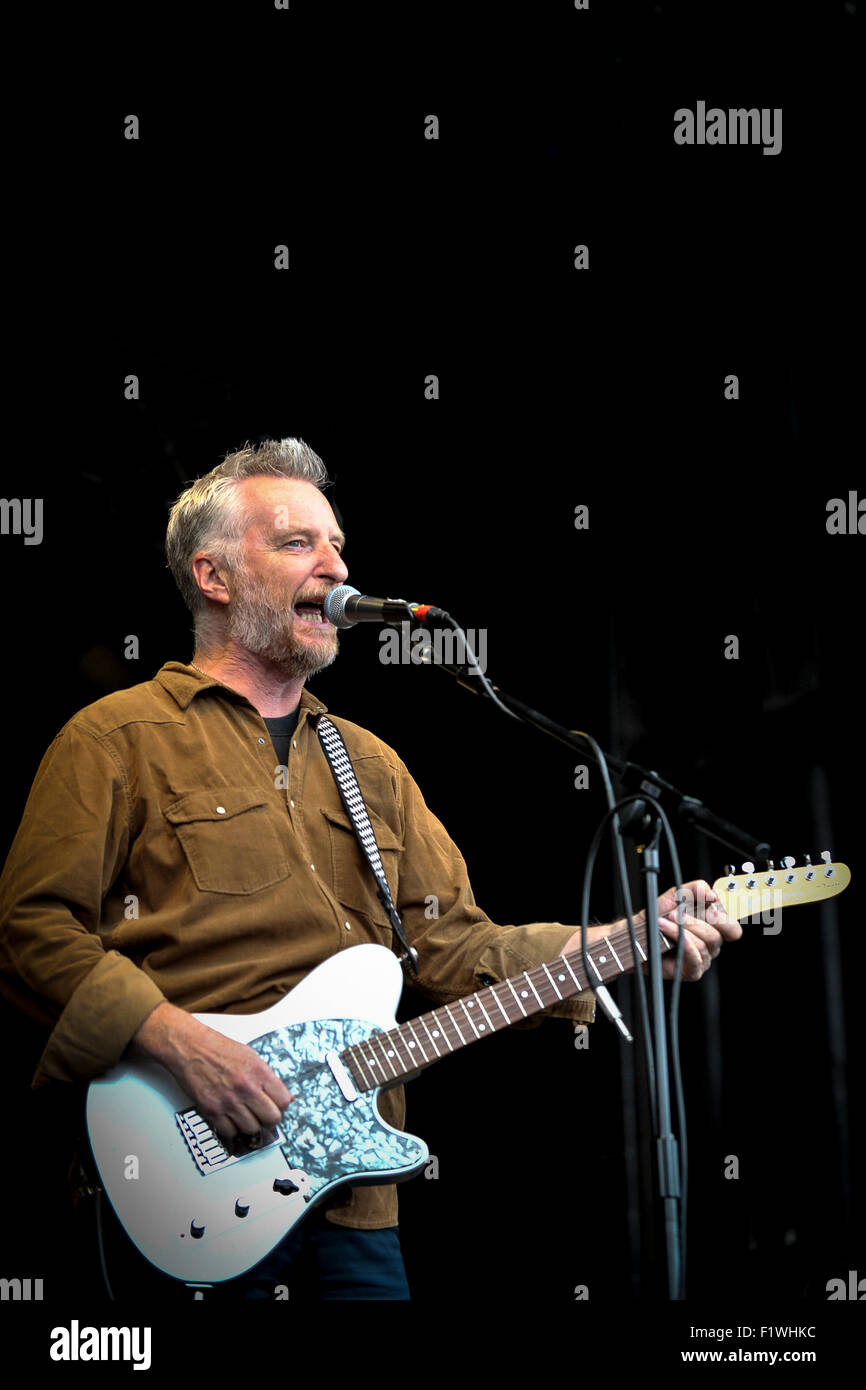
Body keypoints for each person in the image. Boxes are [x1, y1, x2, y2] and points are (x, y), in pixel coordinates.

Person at [0, 438, 741, 1301]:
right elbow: (31, 933)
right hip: (181, 1180)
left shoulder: (372, 765)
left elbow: (456, 950)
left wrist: (613, 941)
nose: (336, 566)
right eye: (297, 544)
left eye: (338, 545)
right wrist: (179, 1041)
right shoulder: (114, 738)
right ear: (213, 577)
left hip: (357, 1205)